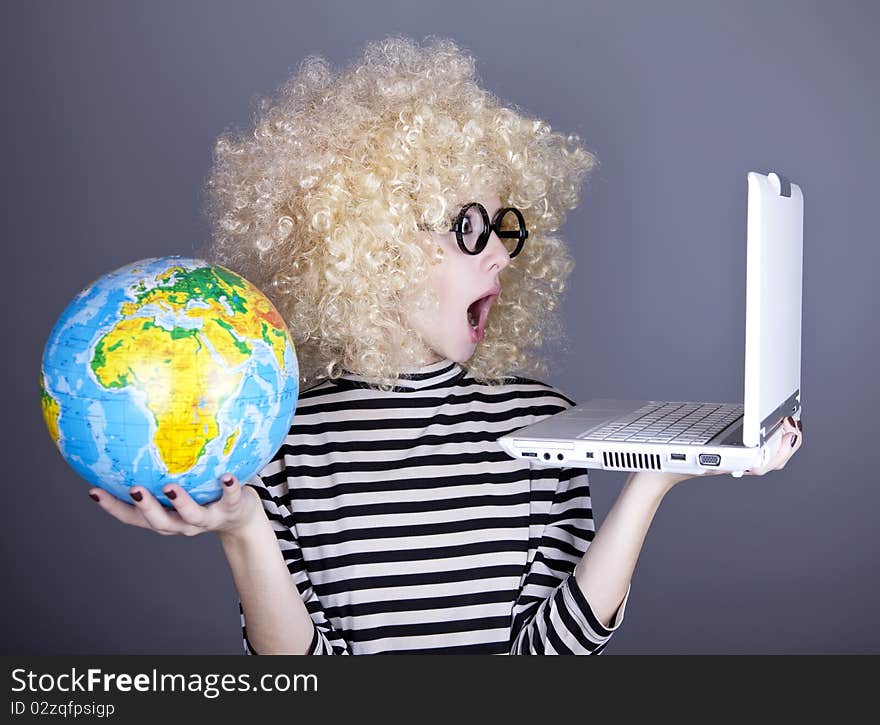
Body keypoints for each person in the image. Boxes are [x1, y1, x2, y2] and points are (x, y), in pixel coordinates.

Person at [88, 36, 803, 654]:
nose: (500, 256)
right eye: (470, 229)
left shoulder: (542, 424)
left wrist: (655, 478)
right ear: (373, 244)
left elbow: (549, 652)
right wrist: (245, 529)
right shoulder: (279, 436)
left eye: (505, 228)